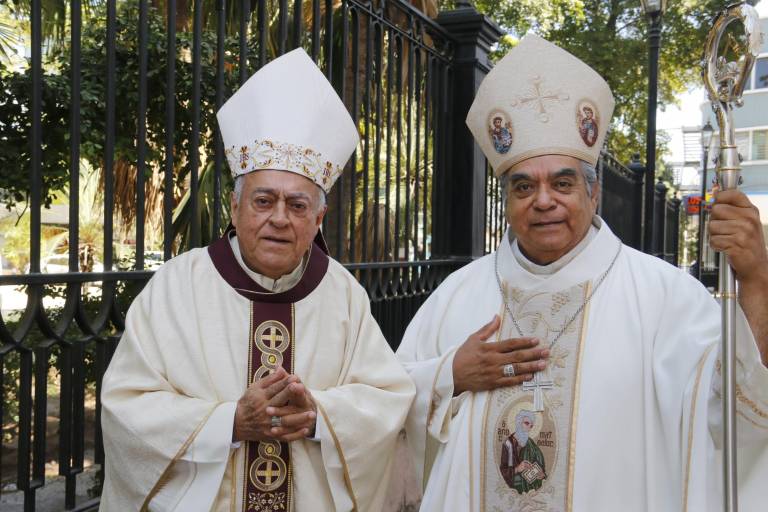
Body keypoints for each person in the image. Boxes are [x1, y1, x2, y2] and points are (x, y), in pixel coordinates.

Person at [396, 34, 768, 511]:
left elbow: (735, 417)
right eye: (524, 186)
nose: (543, 200)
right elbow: (387, 405)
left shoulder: (666, 298)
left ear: (593, 193)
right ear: (507, 201)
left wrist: (755, 280)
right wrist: (450, 374)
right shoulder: (455, 297)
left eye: (563, 182)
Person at [99, 48, 415, 512]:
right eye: (263, 201)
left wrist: (318, 417)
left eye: (298, 205)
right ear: (235, 207)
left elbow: (387, 398)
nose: (280, 219)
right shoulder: (176, 287)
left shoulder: (343, 293)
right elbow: (126, 407)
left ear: (319, 217)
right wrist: (228, 422)